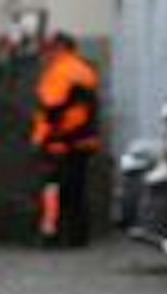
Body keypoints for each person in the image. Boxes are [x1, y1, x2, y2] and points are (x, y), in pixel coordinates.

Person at [31, 31, 101, 247]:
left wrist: (41, 140)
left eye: (49, 49)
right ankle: (78, 236)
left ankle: (51, 234)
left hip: (60, 142)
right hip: (83, 140)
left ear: (60, 48)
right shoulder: (84, 70)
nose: (45, 54)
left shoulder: (59, 73)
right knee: (77, 191)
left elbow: (52, 110)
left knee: (53, 189)